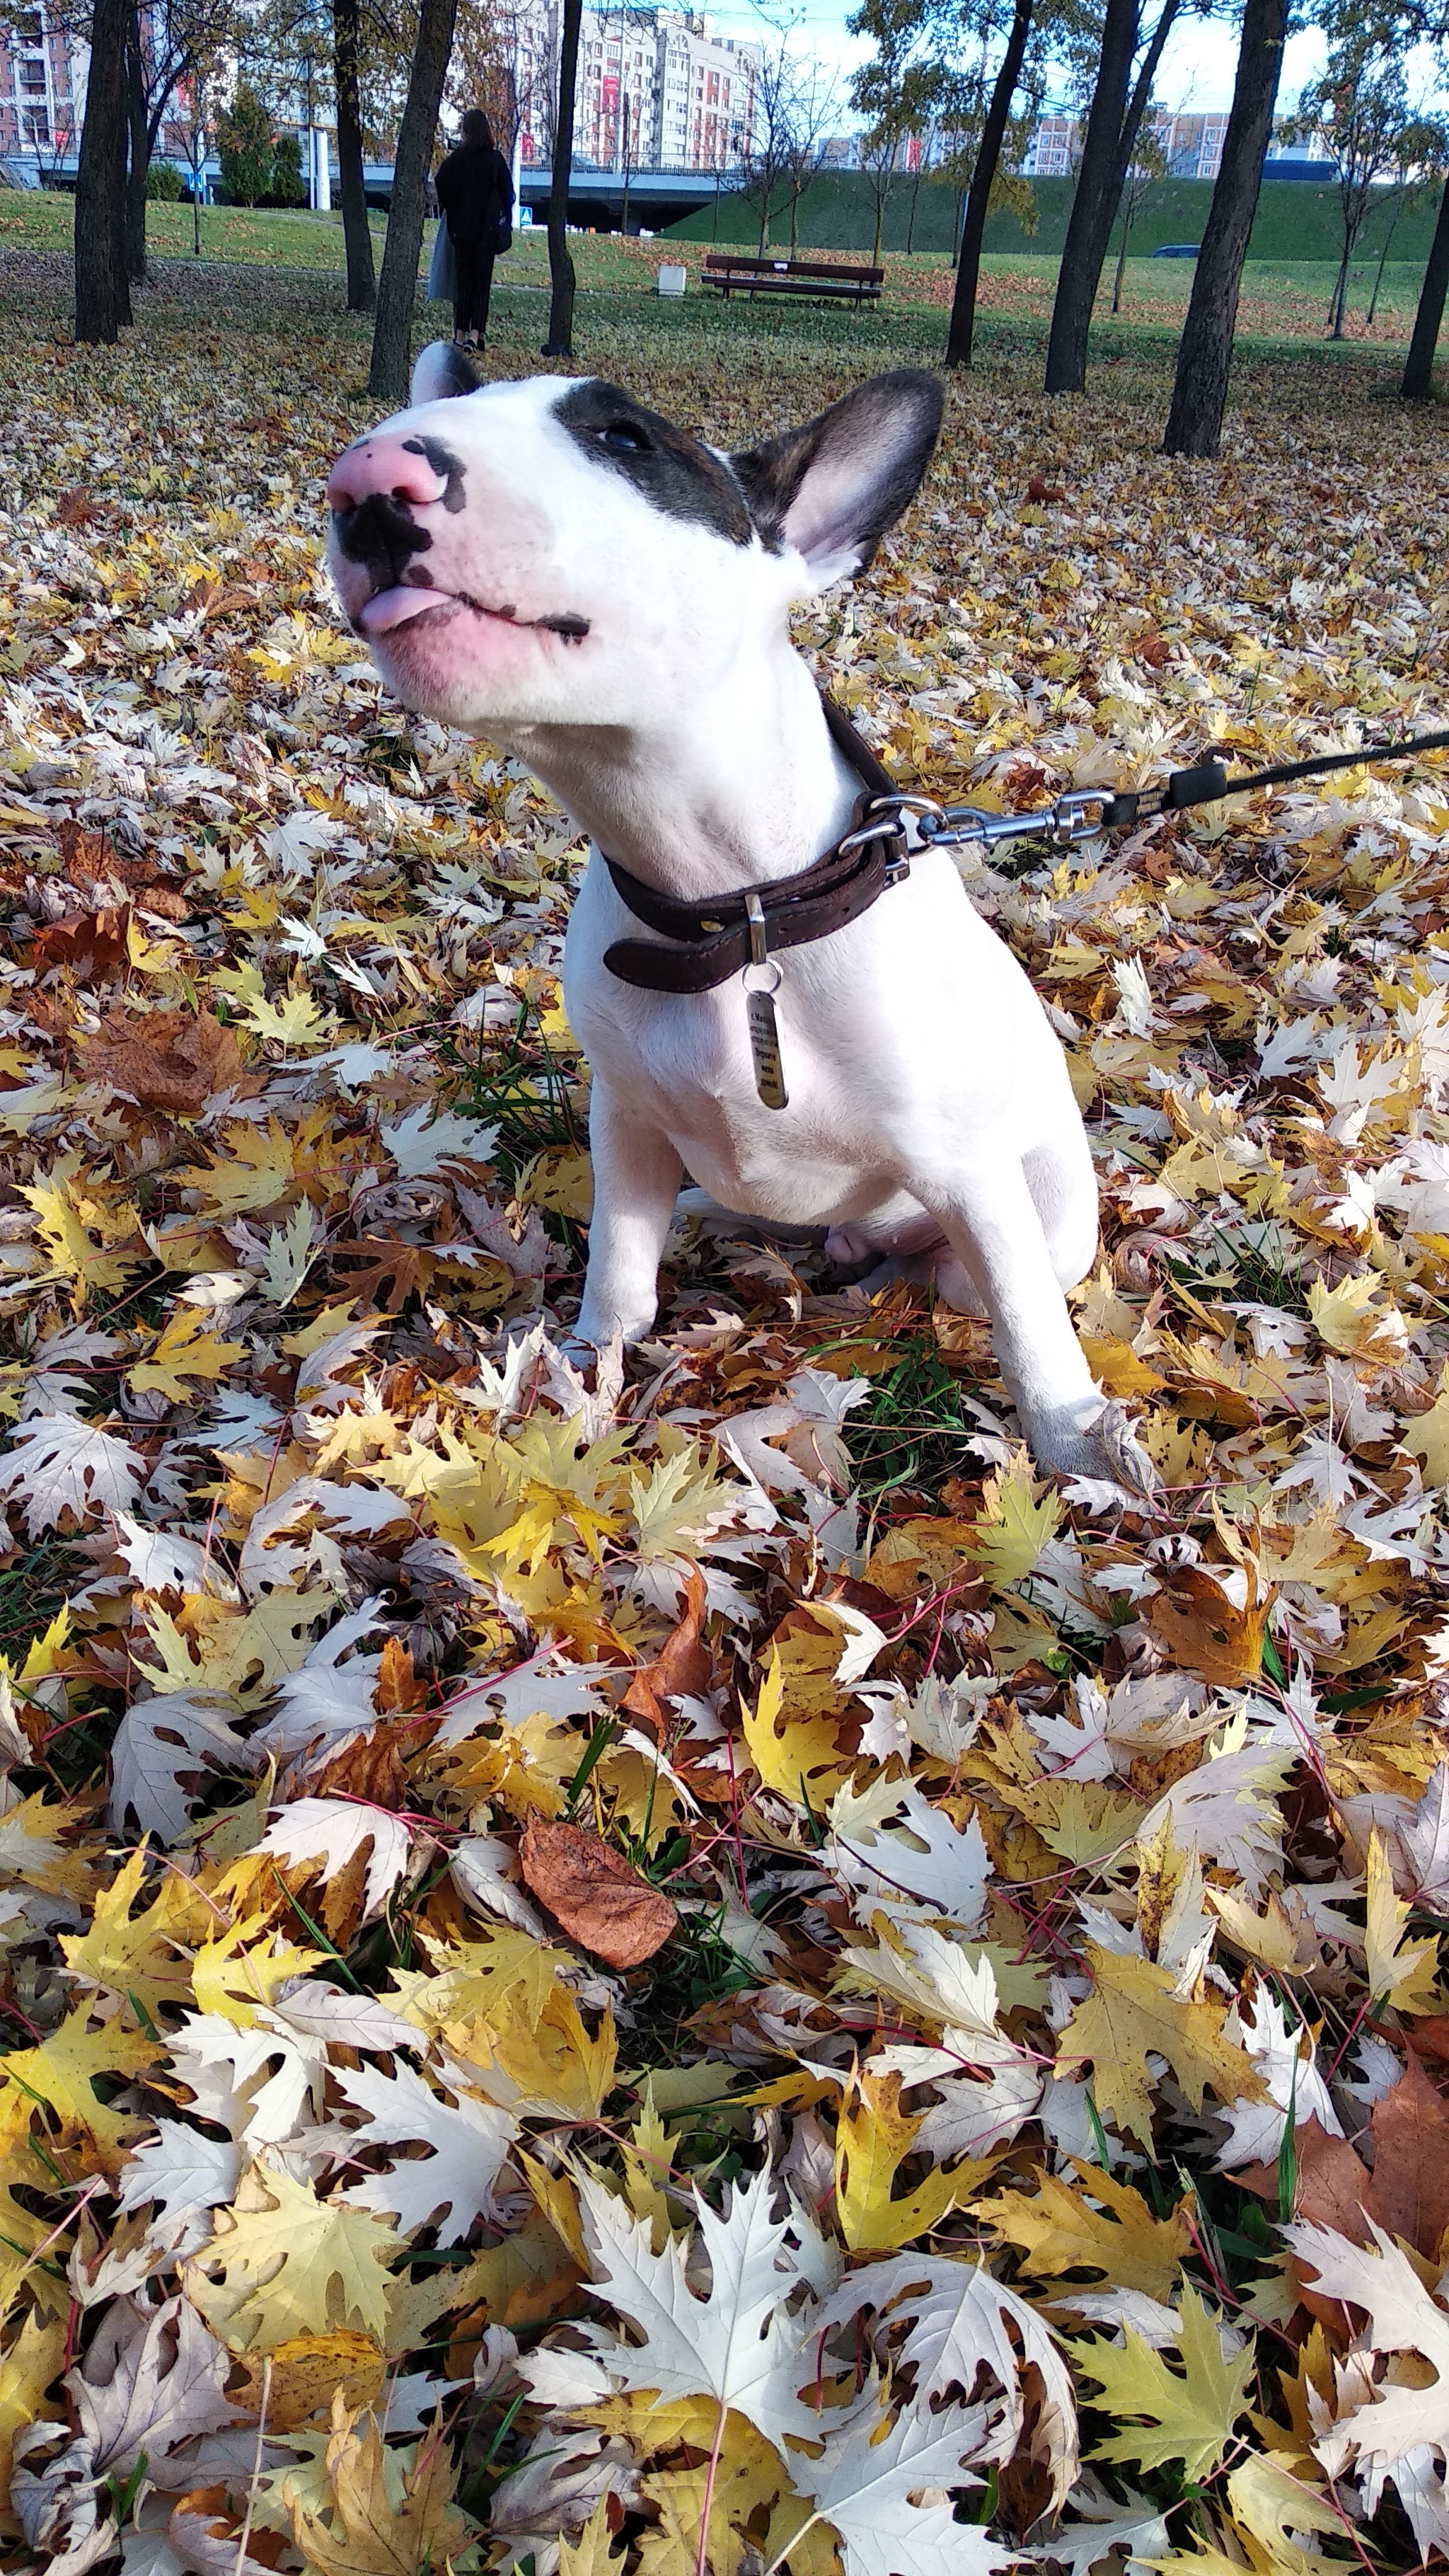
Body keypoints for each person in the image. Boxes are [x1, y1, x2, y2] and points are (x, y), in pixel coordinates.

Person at [433, 110, 514, 351]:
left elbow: (441, 183)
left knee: (464, 284)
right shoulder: (495, 160)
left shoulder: (457, 160)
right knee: (481, 285)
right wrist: (502, 218)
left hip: (461, 232)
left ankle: (458, 335)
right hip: (486, 233)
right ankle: (475, 336)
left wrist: (454, 210)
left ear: (466, 131)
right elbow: (508, 193)